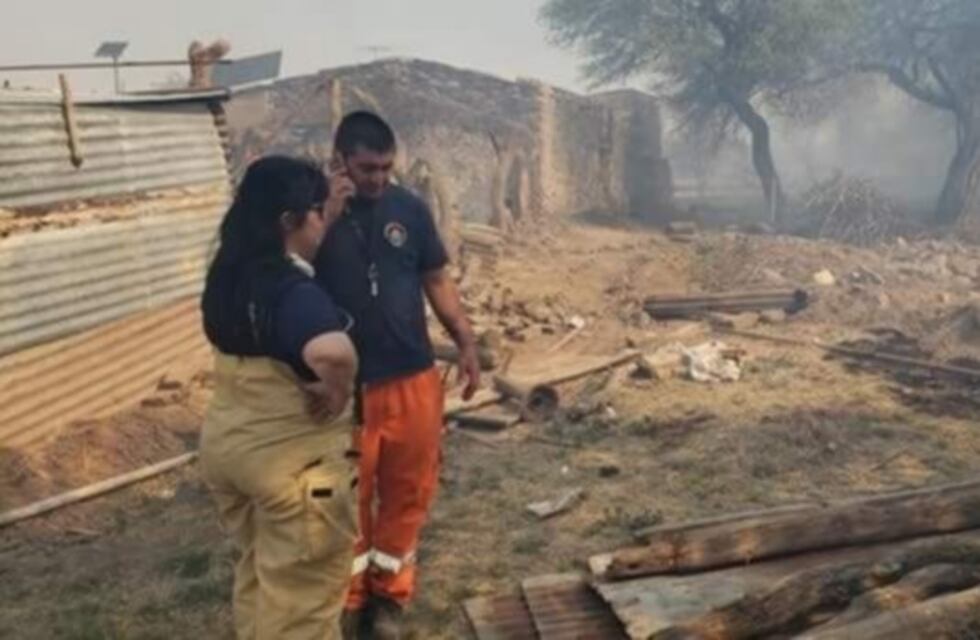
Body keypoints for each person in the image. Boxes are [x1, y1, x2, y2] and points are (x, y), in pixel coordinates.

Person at [314, 111, 480, 639]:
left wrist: (466, 342)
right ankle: (349, 596)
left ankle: (389, 599)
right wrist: (329, 216)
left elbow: (435, 277)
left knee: (410, 491)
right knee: (347, 497)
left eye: (386, 167)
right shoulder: (310, 216)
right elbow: (288, 277)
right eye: (367, 168)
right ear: (340, 161)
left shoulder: (408, 208)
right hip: (348, 389)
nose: (378, 178)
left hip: (412, 379)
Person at [199, 156, 359, 640]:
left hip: (229, 450)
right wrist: (339, 389)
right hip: (290, 468)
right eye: (317, 212)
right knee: (303, 604)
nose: (322, 222)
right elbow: (331, 352)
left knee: (262, 577)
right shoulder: (292, 290)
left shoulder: (226, 275)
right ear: (290, 221)